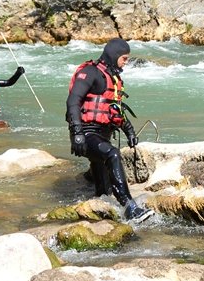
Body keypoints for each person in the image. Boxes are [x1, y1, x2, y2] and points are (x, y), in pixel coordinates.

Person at [65, 38, 154, 223]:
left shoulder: (113, 77)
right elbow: (73, 101)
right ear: (114, 56)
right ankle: (129, 206)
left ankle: (102, 218)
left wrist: (129, 130)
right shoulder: (90, 72)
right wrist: (77, 133)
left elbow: (115, 110)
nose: (126, 62)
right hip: (87, 133)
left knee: (103, 192)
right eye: (124, 58)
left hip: (102, 135)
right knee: (112, 154)